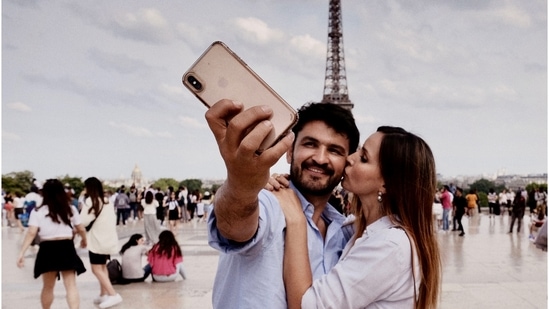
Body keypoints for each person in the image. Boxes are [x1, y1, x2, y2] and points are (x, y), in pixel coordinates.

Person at [205, 99, 360, 308]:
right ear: (289, 152)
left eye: (334, 150)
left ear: (347, 164)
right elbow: (235, 225)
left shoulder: (345, 233)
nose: (320, 159)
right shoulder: (268, 201)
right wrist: (240, 184)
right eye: (310, 144)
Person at [274, 126, 441, 308]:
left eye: (363, 158)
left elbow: (306, 306)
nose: (350, 158)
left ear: (386, 184)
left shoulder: (388, 245)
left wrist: (296, 220)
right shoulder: (359, 230)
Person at [16, 179, 87, 309]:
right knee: (71, 286)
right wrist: (84, 239)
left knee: (48, 286)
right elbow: (81, 228)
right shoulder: (70, 209)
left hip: (47, 248)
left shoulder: (38, 211)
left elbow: (31, 233)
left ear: (45, 193)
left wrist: (22, 252)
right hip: (66, 247)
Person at [80, 177, 123, 309]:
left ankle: (112, 294)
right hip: (108, 239)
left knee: (96, 269)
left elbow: (82, 222)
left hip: (97, 240)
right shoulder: (107, 201)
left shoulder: (90, 201)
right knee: (103, 267)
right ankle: (103, 293)